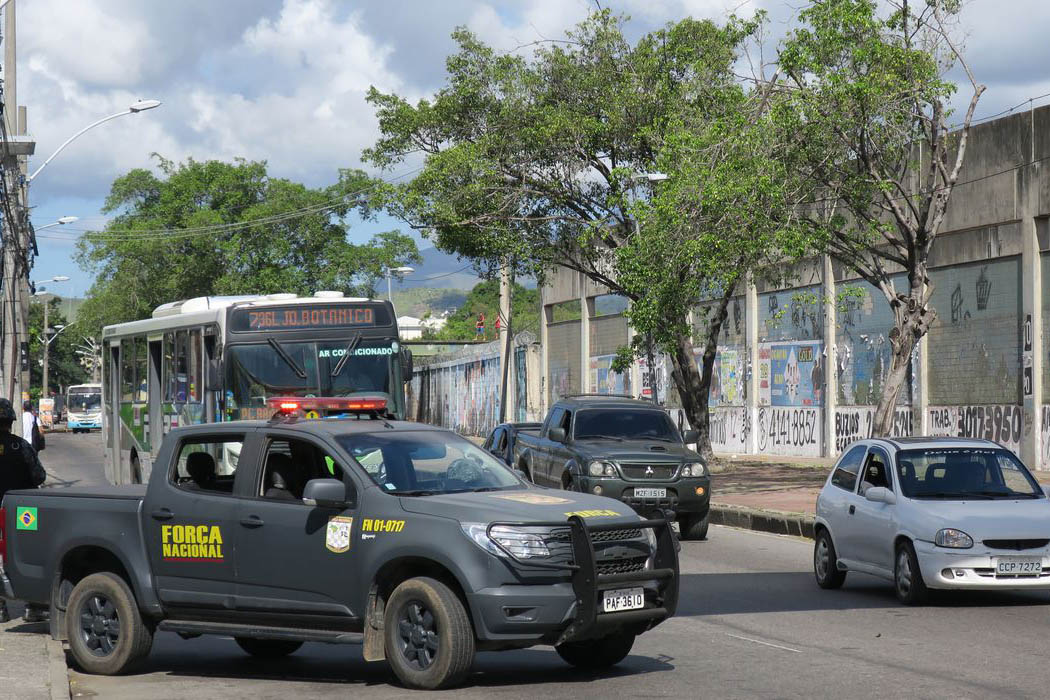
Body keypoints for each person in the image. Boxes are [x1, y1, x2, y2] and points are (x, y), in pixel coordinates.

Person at [0, 398, 48, 623]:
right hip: (22, 512)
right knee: (30, 552)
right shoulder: (21, 446)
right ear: (11, 421)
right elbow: (39, 476)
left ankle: (1, 609)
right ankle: (34, 607)